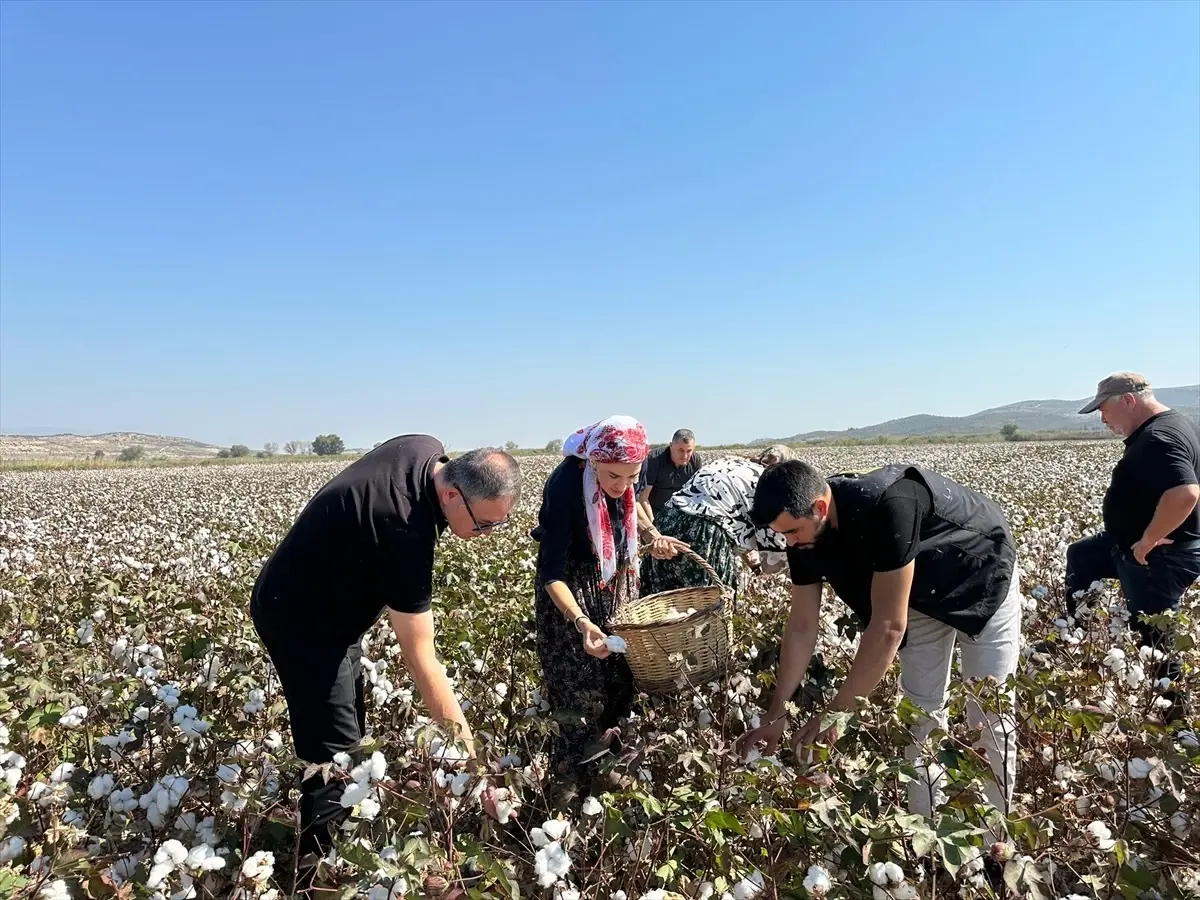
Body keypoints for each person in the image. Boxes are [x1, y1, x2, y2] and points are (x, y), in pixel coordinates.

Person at [250, 435, 521, 867]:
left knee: (350, 736)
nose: (485, 536)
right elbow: (421, 659)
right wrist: (477, 769)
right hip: (302, 623)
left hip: (322, 604)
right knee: (335, 760)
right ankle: (319, 871)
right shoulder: (402, 530)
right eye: (483, 524)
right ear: (451, 493)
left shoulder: (423, 449)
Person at [738, 460, 1023, 834]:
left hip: (983, 577)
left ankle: (995, 845)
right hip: (919, 596)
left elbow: (888, 627)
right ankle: (927, 838)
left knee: (989, 715)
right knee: (919, 717)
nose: (789, 543)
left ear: (820, 508)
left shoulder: (889, 503)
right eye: (782, 535)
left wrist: (837, 713)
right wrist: (776, 715)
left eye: (792, 531)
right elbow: (802, 626)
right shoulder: (803, 534)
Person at [531, 416, 676, 795]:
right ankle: (568, 792)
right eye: (614, 476)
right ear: (593, 461)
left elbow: (636, 509)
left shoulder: (628, 469)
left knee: (621, 683)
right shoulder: (565, 485)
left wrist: (653, 534)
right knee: (578, 699)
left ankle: (611, 783)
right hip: (571, 596)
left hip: (615, 581)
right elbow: (551, 574)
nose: (623, 486)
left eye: (632, 477)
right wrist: (581, 622)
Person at [1065, 372, 1200, 720]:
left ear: (1128, 400)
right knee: (1082, 555)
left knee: (1154, 637)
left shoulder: (1158, 438)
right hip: (1139, 546)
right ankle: (1076, 640)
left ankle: (1174, 719)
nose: (1102, 417)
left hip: (1158, 556)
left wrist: (1149, 539)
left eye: (1104, 408)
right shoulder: (1173, 426)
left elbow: (1185, 493)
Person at [639, 450, 795, 595]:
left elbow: (734, 519)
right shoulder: (770, 483)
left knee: (662, 599)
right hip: (704, 534)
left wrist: (753, 564)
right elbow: (774, 556)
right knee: (706, 604)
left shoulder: (733, 463)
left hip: (667, 522)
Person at [636, 429, 704, 524]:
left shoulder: (695, 461)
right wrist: (653, 525)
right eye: (680, 450)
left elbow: (698, 495)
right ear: (671, 445)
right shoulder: (653, 460)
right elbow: (643, 498)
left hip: (680, 513)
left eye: (689, 451)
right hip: (654, 511)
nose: (685, 456)